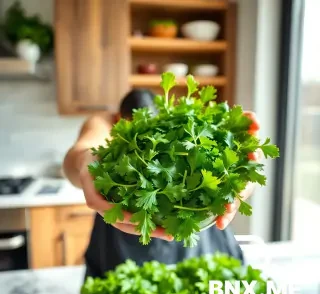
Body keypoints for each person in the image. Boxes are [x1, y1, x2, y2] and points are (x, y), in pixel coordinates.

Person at [63, 89, 260, 279]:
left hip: (198, 233)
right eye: (134, 125)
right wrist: (84, 161)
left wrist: (242, 167)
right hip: (123, 238)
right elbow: (81, 152)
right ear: (118, 120)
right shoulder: (102, 122)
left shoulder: (179, 122)